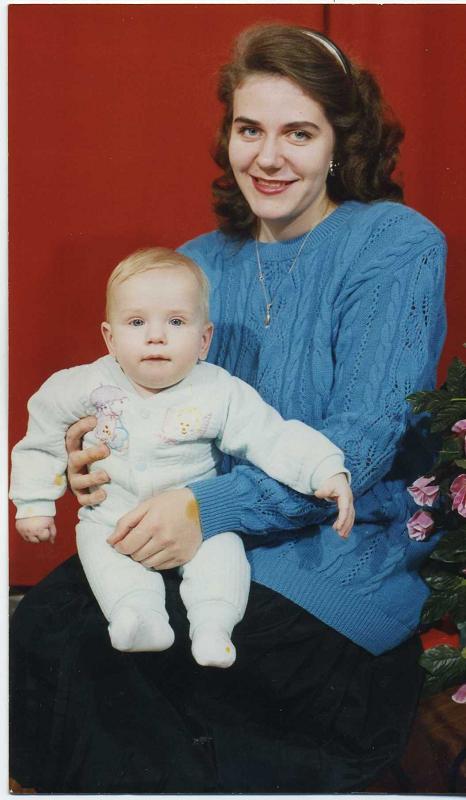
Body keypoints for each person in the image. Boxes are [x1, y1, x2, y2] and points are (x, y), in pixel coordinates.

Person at [10, 23, 447, 793]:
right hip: (196, 539)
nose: (268, 157)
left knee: (118, 664)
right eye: (250, 130)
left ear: (341, 141)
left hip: (335, 557)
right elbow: (145, 401)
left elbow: (364, 441)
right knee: (41, 628)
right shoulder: (198, 264)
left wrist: (203, 509)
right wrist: (95, 452)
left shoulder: (394, 243)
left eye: (298, 133)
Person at [10, 247, 352, 668]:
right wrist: (35, 502)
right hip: (112, 518)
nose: (156, 336)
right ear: (110, 339)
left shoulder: (217, 391)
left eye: (176, 322)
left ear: (204, 340)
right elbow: (43, 435)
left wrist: (323, 468)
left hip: (197, 520)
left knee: (224, 555)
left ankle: (214, 626)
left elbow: (271, 435)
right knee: (102, 554)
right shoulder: (84, 385)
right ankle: (138, 617)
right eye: (137, 322)